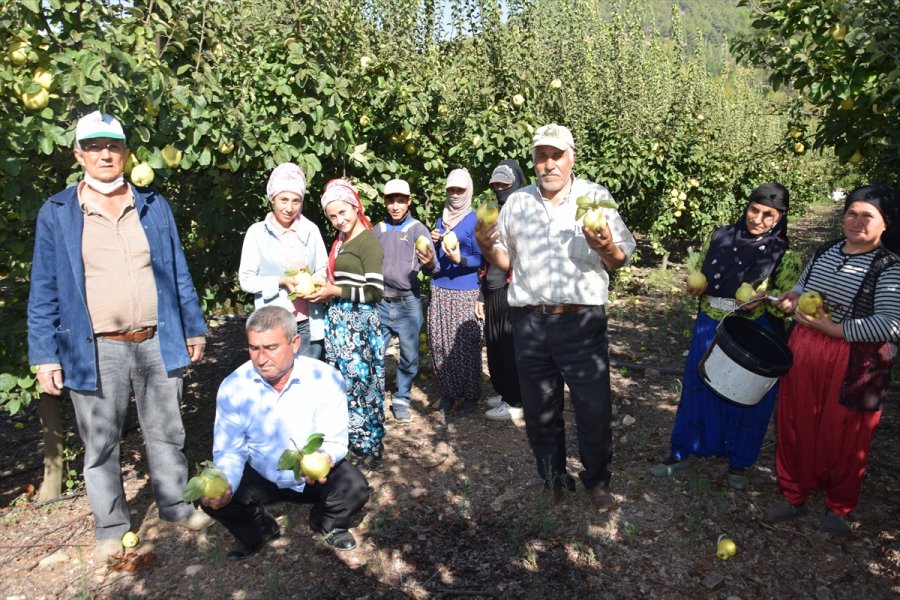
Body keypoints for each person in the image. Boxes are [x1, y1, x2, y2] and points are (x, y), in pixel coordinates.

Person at [27, 111, 211, 564]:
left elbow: (176, 270)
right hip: (95, 347)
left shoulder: (153, 205)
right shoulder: (58, 212)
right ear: (79, 154)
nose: (104, 153)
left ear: (126, 153)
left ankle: (175, 504)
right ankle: (110, 524)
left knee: (167, 430)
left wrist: (193, 324)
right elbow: (44, 287)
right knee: (101, 442)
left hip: (155, 338)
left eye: (113, 145)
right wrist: (45, 355)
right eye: (93, 146)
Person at [474, 124, 636, 509]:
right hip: (529, 320)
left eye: (556, 155)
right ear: (533, 161)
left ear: (571, 157)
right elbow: (507, 260)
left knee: (593, 408)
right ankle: (553, 478)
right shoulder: (517, 204)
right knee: (540, 410)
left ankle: (597, 481)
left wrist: (608, 246)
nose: (548, 164)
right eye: (541, 156)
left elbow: (619, 258)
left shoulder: (594, 198)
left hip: (580, 321)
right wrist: (484, 245)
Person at [764, 184, 900, 534]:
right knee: (796, 420)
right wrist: (790, 299)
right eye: (851, 213)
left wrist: (837, 329)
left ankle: (838, 506)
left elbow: (890, 324)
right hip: (807, 348)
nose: (857, 221)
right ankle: (794, 492)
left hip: (854, 359)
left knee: (845, 431)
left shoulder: (889, 267)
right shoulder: (826, 252)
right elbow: (801, 288)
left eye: (867, 215)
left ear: (885, 224)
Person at [649, 182, 801, 490]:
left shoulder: (784, 255)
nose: (757, 219)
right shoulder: (718, 238)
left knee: (745, 397)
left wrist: (768, 300)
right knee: (698, 388)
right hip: (710, 324)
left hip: (751, 332)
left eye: (768, 215)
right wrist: (696, 286)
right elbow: (702, 276)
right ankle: (681, 453)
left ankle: (738, 463)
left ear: (780, 218)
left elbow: (786, 306)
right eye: (753, 210)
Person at [200, 306, 370, 559]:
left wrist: (324, 457)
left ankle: (327, 523)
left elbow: (335, 440)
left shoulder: (324, 378)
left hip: (312, 474)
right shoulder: (233, 386)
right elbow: (229, 450)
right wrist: (224, 487)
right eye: (254, 348)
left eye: (271, 347)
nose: (261, 358)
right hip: (262, 472)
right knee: (210, 495)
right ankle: (260, 529)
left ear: (295, 343)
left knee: (354, 486)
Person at [304, 179, 386, 470]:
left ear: (355, 205)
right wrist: (324, 288)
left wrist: (334, 291)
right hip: (340, 323)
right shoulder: (342, 243)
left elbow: (376, 292)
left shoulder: (368, 242)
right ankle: (354, 441)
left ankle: (371, 447)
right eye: (332, 216)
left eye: (343, 212)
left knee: (365, 385)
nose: (339, 220)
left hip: (359, 324)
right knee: (346, 385)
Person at [238, 162, 329, 360]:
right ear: (272, 199)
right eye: (284, 200)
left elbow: (322, 268)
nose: (289, 208)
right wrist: (281, 281)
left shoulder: (310, 230)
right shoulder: (256, 233)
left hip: (307, 322)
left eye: (296, 201)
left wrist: (316, 284)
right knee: (276, 379)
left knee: (307, 380)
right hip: (272, 324)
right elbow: (246, 280)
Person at [373, 178, 438, 423]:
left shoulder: (417, 229)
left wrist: (430, 261)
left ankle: (401, 399)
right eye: (391, 200)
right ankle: (374, 398)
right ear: (385, 202)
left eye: (401, 200)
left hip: (408, 304)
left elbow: (433, 268)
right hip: (380, 302)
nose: (395, 205)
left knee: (409, 356)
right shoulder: (377, 229)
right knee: (374, 353)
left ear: (409, 201)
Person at [428, 168, 484, 414]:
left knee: (465, 345)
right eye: (451, 189)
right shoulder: (442, 219)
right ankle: (449, 392)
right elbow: (437, 257)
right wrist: (432, 242)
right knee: (440, 343)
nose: (455, 194)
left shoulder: (475, 220)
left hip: (465, 290)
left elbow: (481, 260)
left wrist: (461, 259)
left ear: (468, 190)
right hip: (440, 287)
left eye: (459, 190)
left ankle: (471, 395)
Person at [476, 160, 527, 421]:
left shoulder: (522, 213)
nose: (499, 188)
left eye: (505, 184)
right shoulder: (495, 212)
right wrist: (482, 293)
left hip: (513, 290)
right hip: (494, 288)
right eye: (495, 184)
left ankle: (516, 401)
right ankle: (505, 391)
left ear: (517, 182)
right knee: (496, 346)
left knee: (510, 347)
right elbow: (488, 258)